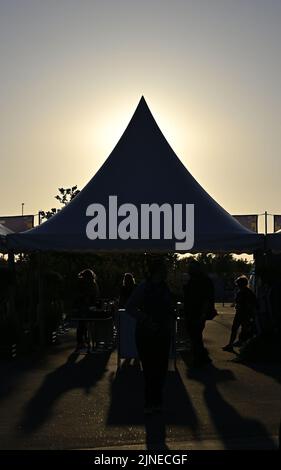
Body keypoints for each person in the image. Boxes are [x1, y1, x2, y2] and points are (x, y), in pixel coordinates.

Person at [125, 256, 174, 414]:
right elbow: (130, 307)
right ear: (157, 271)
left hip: (162, 333)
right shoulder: (143, 287)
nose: (166, 272)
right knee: (149, 369)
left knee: (160, 369)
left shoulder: (165, 288)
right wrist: (145, 319)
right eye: (164, 269)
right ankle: (150, 402)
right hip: (146, 333)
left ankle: (157, 401)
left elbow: (169, 308)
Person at [183, 260, 215, 367]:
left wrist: (203, 314)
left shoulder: (203, 281)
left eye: (191, 268)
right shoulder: (193, 280)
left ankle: (200, 358)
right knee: (195, 336)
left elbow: (207, 299)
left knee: (195, 335)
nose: (189, 270)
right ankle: (202, 357)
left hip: (197, 313)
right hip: (192, 313)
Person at [223, 275, 257, 352]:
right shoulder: (244, 292)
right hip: (241, 313)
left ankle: (239, 346)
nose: (238, 286)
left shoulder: (245, 292)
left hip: (244, 314)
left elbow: (251, 303)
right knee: (238, 329)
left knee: (241, 330)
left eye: (238, 284)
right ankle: (233, 345)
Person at [75, 269, 100, 352]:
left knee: (83, 324)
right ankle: (86, 341)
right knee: (85, 324)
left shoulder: (85, 283)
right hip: (87, 306)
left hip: (85, 306)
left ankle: (83, 341)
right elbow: (94, 295)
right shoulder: (91, 283)